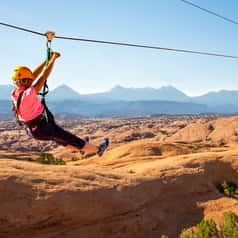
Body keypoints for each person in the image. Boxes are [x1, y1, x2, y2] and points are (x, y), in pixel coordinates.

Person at [11, 52, 109, 156]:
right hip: (42, 128)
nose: (31, 80)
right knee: (70, 138)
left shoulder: (15, 93)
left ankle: (81, 149)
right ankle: (98, 150)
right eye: (29, 80)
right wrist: (52, 59)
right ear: (26, 81)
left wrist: (46, 60)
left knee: (61, 140)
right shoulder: (28, 93)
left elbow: (33, 76)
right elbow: (43, 77)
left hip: (32, 130)